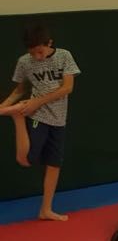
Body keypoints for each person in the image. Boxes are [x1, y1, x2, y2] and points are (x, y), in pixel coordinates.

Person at [0, 23, 80, 221]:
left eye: (40, 52)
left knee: (54, 164)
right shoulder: (24, 62)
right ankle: (18, 117)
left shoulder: (64, 56)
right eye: (32, 53)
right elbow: (19, 90)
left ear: (49, 43)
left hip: (59, 118)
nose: (37, 57)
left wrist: (38, 101)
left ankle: (46, 209)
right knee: (26, 159)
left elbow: (67, 88)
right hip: (37, 115)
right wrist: (4, 106)